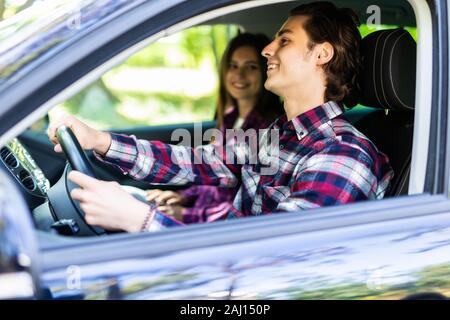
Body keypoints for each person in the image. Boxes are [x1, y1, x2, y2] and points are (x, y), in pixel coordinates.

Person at [48, 1, 394, 233]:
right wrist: (101, 141)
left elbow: (279, 262)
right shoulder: (277, 134)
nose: (267, 50)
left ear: (321, 54)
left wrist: (143, 220)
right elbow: (195, 160)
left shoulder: (343, 154)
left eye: (284, 40)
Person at [145, 33, 283, 224]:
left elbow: (248, 204)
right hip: (200, 213)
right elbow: (212, 174)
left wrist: (185, 215)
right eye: (233, 66)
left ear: (266, 70)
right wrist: (183, 196)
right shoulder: (229, 117)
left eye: (251, 67)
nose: (239, 75)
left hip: (217, 228)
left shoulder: (268, 129)